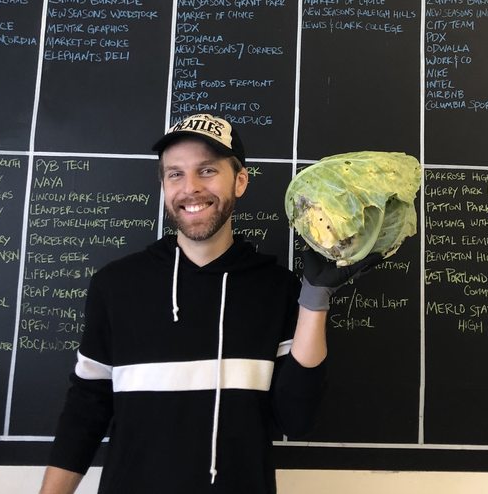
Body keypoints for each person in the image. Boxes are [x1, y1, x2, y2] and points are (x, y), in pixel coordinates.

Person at [39, 113, 379, 494]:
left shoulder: (276, 289)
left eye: (207, 170)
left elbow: (296, 420)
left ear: (240, 181)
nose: (190, 188)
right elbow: (86, 410)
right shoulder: (116, 286)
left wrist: (314, 299)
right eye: (175, 174)